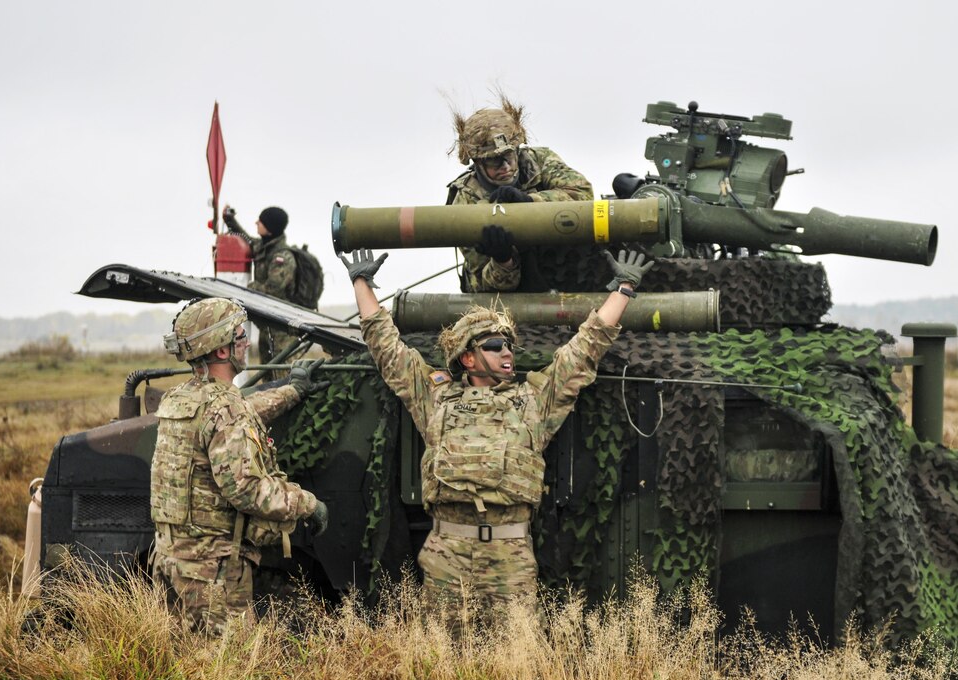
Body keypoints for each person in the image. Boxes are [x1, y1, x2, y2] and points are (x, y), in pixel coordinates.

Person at [339, 246, 654, 632]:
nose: (507, 353)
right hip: (446, 555)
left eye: (507, 345)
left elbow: (584, 350)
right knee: (441, 659)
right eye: (493, 346)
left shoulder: (534, 401)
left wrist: (622, 289)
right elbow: (387, 349)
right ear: (467, 358)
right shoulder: (436, 398)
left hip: (510, 556)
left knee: (516, 662)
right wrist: (361, 283)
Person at [151, 296, 330, 635]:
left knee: (181, 666)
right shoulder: (225, 410)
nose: (247, 341)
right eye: (240, 335)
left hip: (172, 559)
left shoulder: (179, 399)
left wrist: (292, 392)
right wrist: (308, 504)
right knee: (225, 675)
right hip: (212, 571)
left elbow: (239, 412)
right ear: (221, 350)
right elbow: (246, 490)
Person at [446, 96, 594, 292]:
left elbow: (583, 195)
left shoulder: (539, 161)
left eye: (508, 156)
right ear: (478, 163)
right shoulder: (466, 203)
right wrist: (503, 260)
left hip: (567, 274)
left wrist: (530, 202)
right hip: (518, 296)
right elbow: (483, 286)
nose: (505, 166)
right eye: (494, 161)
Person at [222, 205, 301, 367]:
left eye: (261, 221)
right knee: (267, 374)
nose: (256, 222)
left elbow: (273, 291)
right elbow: (243, 237)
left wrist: (249, 287)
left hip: (282, 330)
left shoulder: (282, 257)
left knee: (282, 374)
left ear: (270, 228)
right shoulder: (263, 247)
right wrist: (230, 220)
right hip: (268, 326)